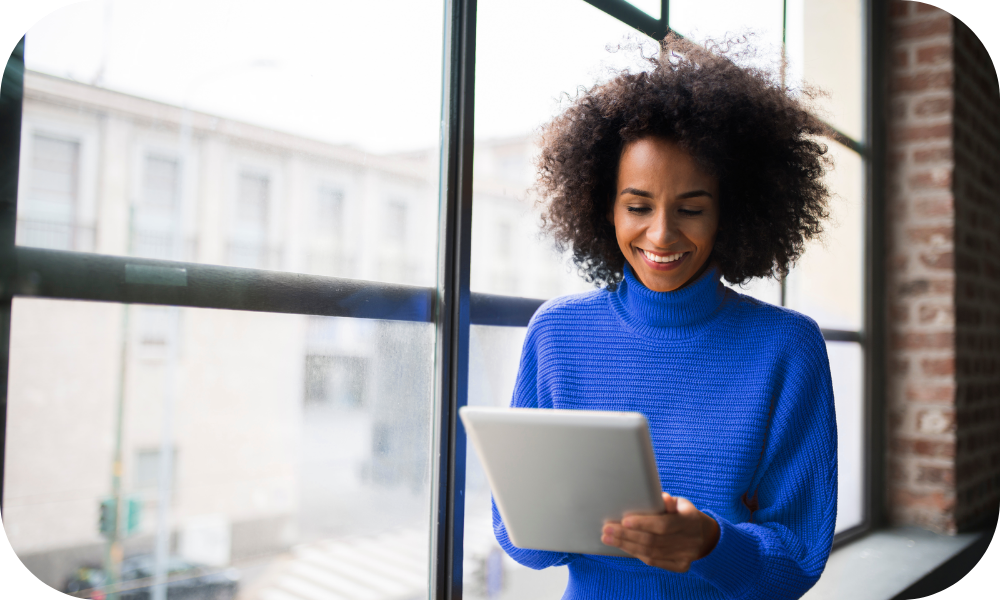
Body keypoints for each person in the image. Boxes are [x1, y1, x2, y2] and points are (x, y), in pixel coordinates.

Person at [492, 34, 838, 599]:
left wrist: (710, 546)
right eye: (637, 206)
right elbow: (523, 545)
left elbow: (797, 561)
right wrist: (538, 521)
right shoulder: (556, 333)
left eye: (691, 209)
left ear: (731, 210)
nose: (660, 234)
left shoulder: (787, 347)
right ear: (603, 206)